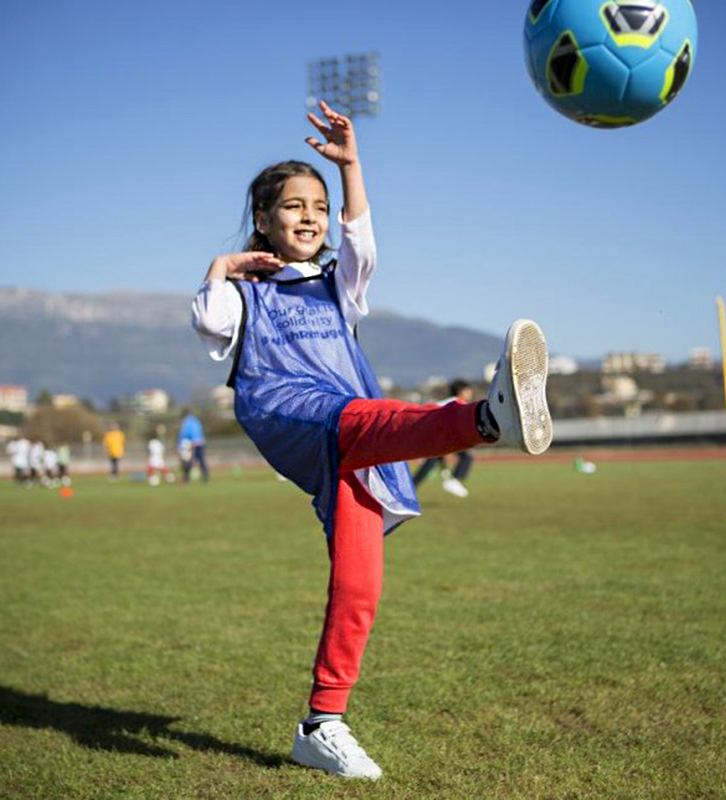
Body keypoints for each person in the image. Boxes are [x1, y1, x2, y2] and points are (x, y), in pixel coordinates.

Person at [190, 101, 551, 780]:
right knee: (360, 416)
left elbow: (363, 245)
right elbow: (209, 325)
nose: (310, 217)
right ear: (262, 218)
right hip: (292, 415)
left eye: (319, 206)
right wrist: (220, 266)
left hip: (354, 435)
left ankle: (321, 724)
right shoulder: (244, 294)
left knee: (360, 586)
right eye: (293, 205)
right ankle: (484, 420)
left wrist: (351, 166)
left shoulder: (338, 287)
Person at [411, 379, 476, 498]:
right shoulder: (457, 403)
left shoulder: (452, 402)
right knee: (466, 456)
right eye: (468, 390)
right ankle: (453, 480)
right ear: (461, 391)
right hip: (434, 436)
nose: (470, 393)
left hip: (436, 436)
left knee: (430, 464)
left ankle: (409, 489)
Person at [176, 407, 209, 484]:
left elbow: (185, 434)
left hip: (192, 444)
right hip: (201, 443)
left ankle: (186, 478)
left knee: (188, 462)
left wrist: (179, 443)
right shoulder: (196, 420)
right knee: (201, 461)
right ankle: (205, 477)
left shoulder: (186, 422)